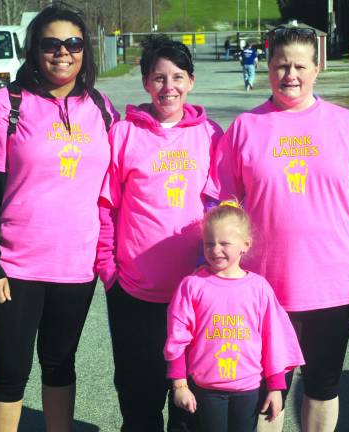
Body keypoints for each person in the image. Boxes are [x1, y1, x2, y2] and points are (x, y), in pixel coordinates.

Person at [204, 26, 349, 432]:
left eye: (298, 66)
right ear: (267, 68)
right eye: (280, 66)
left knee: (323, 384)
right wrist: (219, 263)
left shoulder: (344, 125)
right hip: (262, 286)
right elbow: (221, 203)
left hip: (334, 283)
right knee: (267, 389)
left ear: (317, 68)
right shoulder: (246, 128)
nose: (289, 75)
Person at [0, 5, 118, 431]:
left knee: (60, 363)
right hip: (15, 269)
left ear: (85, 52)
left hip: (77, 267)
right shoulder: (6, 105)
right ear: (34, 50)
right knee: (11, 370)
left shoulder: (101, 109)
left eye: (73, 44)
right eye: (51, 44)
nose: (62, 53)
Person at [96, 34, 223, 432]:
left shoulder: (210, 136)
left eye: (178, 77)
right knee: (139, 392)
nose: (169, 87)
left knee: (190, 397)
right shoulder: (122, 134)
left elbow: (220, 207)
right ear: (146, 83)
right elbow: (106, 207)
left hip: (196, 290)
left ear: (191, 82)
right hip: (134, 290)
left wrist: (215, 270)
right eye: (159, 78)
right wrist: (109, 270)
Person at [164, 203, 305, 432]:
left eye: (224, 243)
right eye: (209, 243)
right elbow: (177, 338)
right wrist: (180, 385)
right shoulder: (192, 286)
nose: (215, 249)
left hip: (248, 389)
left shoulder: (259, 288)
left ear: (245, 245)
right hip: (206, 389)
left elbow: (274, 341)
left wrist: (276, 387)